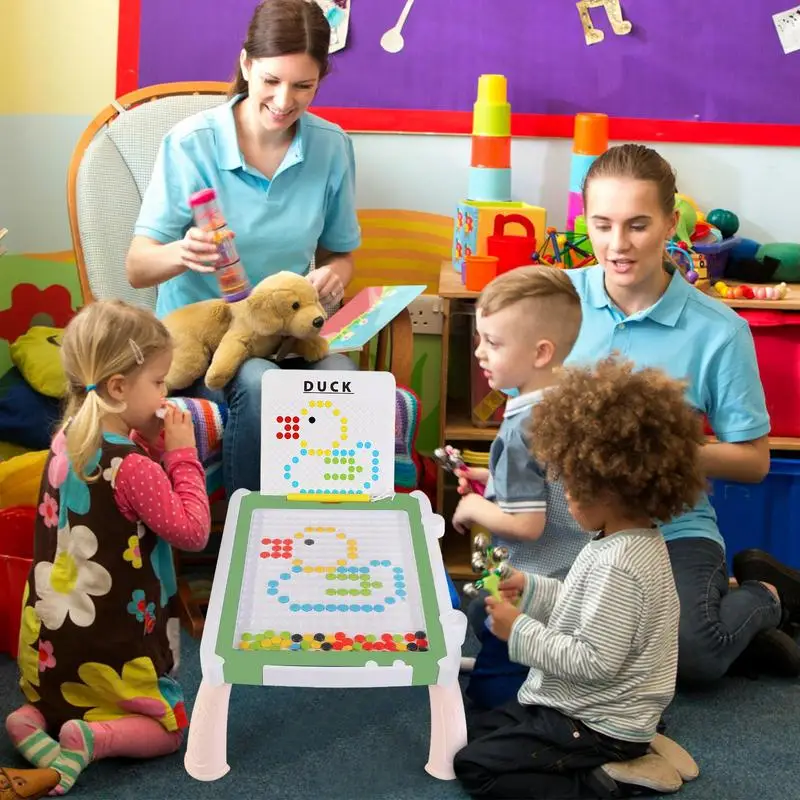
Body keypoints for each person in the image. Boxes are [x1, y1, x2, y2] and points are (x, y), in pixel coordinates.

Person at [566, 143, 800, 681]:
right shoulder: (557, 301)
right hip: (573, 518)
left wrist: (661, 454)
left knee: (690, 658)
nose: (617, 245)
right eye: (601, 225)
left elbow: (753, 461)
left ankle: (767, 595)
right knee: (520, 630)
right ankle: (730, 621)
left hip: (671, 526)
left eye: (638, 225)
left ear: (672, 223)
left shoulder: (720, 330)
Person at [125, 0, 360, 495]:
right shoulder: (191, 144)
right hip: (204, 345)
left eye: (303, 86)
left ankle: (329, 531)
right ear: (246, 64)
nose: (283, 99)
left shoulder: (331, 146)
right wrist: (181, 253)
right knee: (257, 381)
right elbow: (137, 267)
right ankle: (247, 532)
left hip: (286, 336)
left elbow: (341, 253)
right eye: (271, 80)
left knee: (343, 374)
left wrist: (336, 274)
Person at [454, 356, 704, 799]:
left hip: (595, 722)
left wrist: (519, 630)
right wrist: (529, 588)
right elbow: (582, 602)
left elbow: (592, 662)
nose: (564, 492)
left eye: (572, 483)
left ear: (614, 488)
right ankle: (639, 744)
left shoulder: (620, 565)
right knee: (477, 723)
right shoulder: (625, 537)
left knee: (474, 765)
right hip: (596, 708)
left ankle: (602, 777)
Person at [2, 300, 211, 796]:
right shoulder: (134, 467)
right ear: (118, 388)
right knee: (171, 729)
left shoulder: (65, 441)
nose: (166, 393)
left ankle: (32, 718)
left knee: (55, 702)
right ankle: (94, 738)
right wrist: (182, 455)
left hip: (53, 648)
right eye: (159, 382)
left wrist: (149, 439)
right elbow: (193, 531)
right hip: (113, 646)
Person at [450, 267, 593, 709]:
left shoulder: (519, 428)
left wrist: (474, 504)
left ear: (540, 352)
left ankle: (544, 684)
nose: (479, 353)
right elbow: (549, 480)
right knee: (480, 609)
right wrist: (492, 482)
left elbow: (526, 524)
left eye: (493, 343)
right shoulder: (571, 400)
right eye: (480, 339)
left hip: (535, 588)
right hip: (582, 579)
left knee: (490, 698)